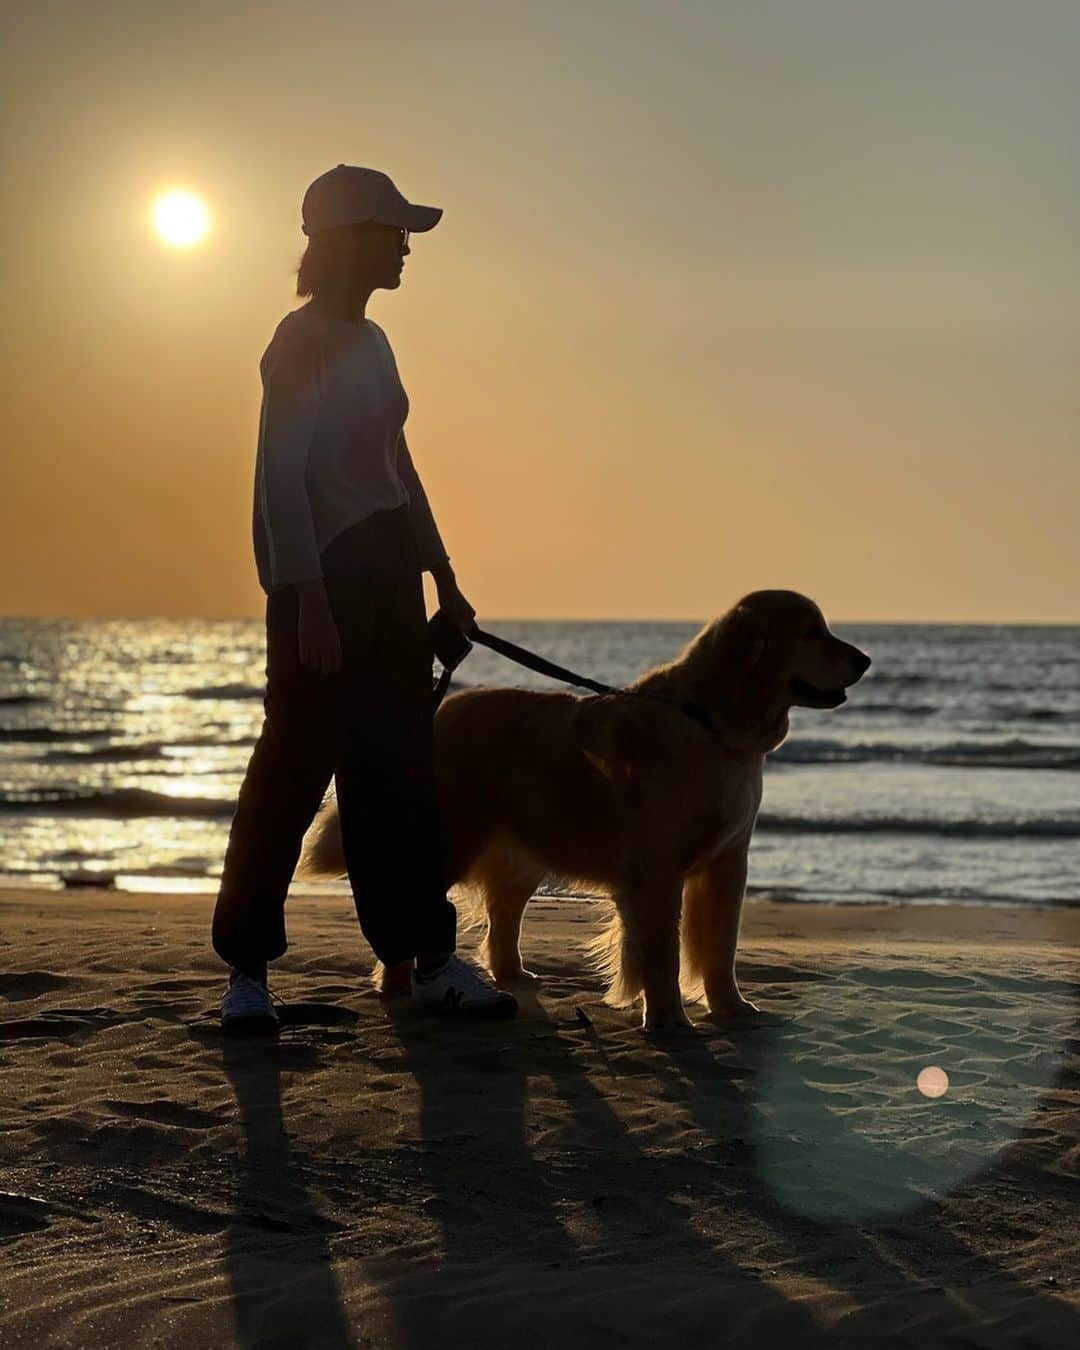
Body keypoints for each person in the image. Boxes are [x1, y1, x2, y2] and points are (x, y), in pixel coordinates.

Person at [211, 164, 517, 1032]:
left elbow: (398, 470)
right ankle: (247, 973)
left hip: (388, 581)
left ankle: (425, 960)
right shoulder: (298, 342)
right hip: (322, 584)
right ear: (346, 242)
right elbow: (281, 480)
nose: (407, 246)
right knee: (291, 776)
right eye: (393, 231)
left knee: (400, 779)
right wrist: (304, 596)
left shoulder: (375, 345)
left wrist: (445, 579)